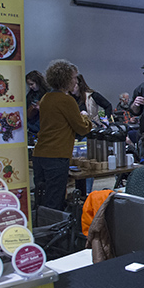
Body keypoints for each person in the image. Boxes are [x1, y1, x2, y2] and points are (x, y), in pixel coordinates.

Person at [32, 59, 92, 210]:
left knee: (42, 197)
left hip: (40, 153)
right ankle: (54, 231)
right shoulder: (66, 100)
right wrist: (85, 116)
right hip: (56, 155)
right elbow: (82, 128)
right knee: (55, 199)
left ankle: (42, 228)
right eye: (73, 77)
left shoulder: (46, 98)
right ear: (65, 79)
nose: (76, 80)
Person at [25, 70, 48, 139]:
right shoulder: (29, 96)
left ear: (38, 82)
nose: (30, 87)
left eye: (32, 84)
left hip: (44, 129)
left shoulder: (48, 94)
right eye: (28, 85)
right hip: (32, 129)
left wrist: (41, 108)